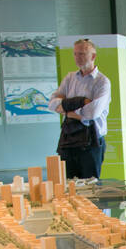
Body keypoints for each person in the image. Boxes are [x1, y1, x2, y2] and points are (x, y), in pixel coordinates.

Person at [48, 39, 111, 179]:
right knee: (68, 183)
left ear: (93, 56)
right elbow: (52, 104)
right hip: (69, 139)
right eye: (75, 54)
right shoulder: (70, 78)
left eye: (82, 54)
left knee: (90, 185)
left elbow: (92, 113)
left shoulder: (102, 81)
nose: (78, 58)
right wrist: (81, 103)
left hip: (91, 141)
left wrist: (66, 108)